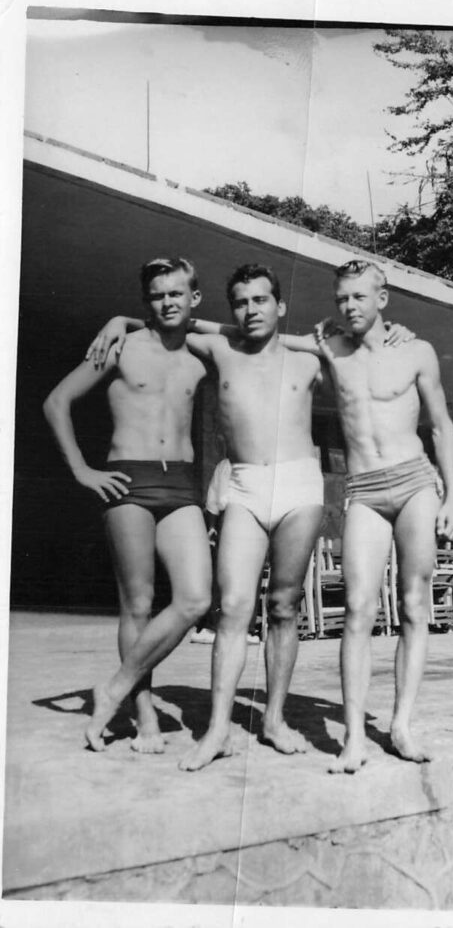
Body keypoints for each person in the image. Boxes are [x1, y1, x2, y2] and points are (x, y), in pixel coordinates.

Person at [87, 262, 416, 772]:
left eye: (260, 301)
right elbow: (170, 321)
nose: (250, 311)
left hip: (299, 484)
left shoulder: (312, 351)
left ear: (279, 306)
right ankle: (218, 728)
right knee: (234, 605)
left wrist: (394, 332)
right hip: (243, 484)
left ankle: (274, 719)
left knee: (284, 605)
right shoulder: (220, 347)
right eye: (240, 302)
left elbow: (366, 345)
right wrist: (119, 320)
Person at [43, 256, 212, 754]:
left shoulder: (203, 350)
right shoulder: (120, 346)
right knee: (137, 602)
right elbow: (56, 402)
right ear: (147, 301)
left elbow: (252, 332)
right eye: (157, 296)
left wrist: (125, 315)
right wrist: (80, 470)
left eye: (177, 293)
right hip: (128, 482)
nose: (168, 302)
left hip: (181, 484)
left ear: (193, 297)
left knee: (195, 597)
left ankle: (113, 688)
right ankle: (145, 719)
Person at [313, 260, 453, 771]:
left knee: (415, 605)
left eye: (358, 296)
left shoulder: (417, 351)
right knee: (358, 606)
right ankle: (354, 738)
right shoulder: (330, 349)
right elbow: (254, 336)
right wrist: (134, 324)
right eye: (341, 299)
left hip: (415, 483)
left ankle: (400, 725)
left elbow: (441, 426)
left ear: (383, 298)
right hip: (364, 491)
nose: (349, 306)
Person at [190, 458, 260, 645]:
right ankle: (211, 627)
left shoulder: (258, 463)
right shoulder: (223, 466)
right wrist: (211, 529)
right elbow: (213, 500)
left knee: (250, 575)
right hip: (225, 519)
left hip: (252, 519)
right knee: (220, 575)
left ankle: (247, 628)